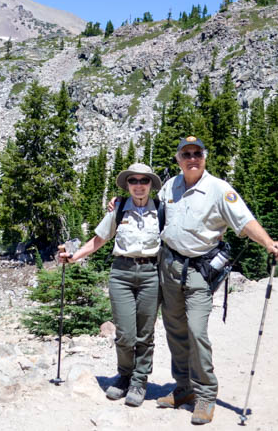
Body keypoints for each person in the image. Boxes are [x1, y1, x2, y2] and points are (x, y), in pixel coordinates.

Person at [113, 137, 278, 425]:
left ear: (204, 157)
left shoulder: (219, 189)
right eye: (186, 154)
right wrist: (119, 203)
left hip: (199, 271)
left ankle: (205, 394)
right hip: (168, 267)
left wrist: (268, 243)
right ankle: (183, 388)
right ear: (179, 159)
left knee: (196, 331)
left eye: (197, 153)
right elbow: (148, 208)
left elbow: (244, 221)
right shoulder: (170, 186)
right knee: (175, 330)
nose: (192, 158)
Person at [59, 162, 163, 407]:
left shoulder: (162, 209)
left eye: (144, 180)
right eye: (133, 181)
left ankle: (139, 381)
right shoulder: (119, 209)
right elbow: (100, 239)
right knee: (125, 334)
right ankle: (124, 375)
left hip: (151, 273)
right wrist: (74, 257)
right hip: (121, 273)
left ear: (151, 185)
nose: (139, 186)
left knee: (145, 334)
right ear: (127, 184)